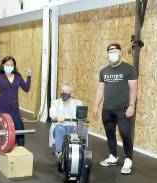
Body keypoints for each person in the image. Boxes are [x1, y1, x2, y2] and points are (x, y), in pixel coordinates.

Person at [93, 43, 138, 175]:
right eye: (110, 51)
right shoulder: (104, 71)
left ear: (120, 52)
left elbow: (133, 89)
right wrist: (96, 105)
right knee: (110, 134)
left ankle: (128, 159)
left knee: (125, 133)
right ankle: (113, 156)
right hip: (107, 109)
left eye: (114, 50)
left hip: (123, 109)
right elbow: (100, 89)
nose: (112, 53)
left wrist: (131, 105)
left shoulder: (129, 69)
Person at [0, 49, 31, 146]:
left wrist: (29, 77)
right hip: (1, 107)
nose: (9, 66)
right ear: (3, 65)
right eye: (7, 65)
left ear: (14, 66)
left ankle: (21, 149)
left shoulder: (18, 77)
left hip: (14, 108)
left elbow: (26, 88)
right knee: (1, 129)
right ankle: (1, 145)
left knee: (20, 129)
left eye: (11, 65)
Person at [49, 84, 83, 159]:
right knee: (60, 129)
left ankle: (80, 151)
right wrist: (57, 116)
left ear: (71, 93)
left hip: (73, 127)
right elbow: (52, 113)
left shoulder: (78, 103)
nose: (63, 93)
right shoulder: (55, 103)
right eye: (62, 91)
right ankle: (59, 152)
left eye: (66, 91)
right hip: (61, 126)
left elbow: (82, 115)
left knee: (81, 129)